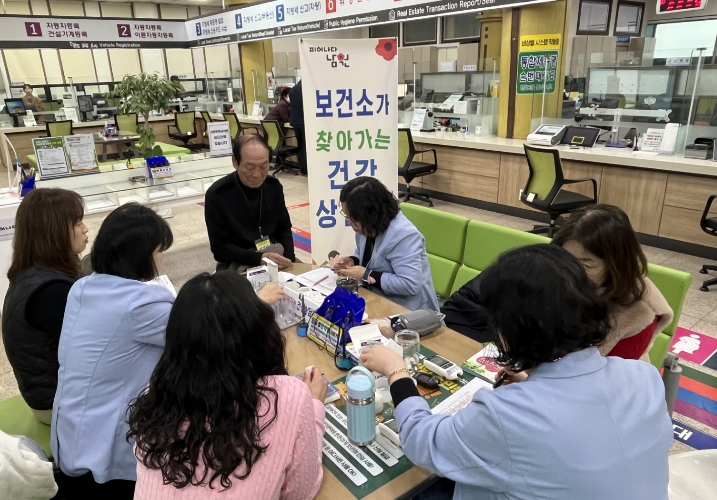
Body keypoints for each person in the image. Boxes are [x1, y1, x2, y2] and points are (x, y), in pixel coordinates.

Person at [360, 245, 673, 500]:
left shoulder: (506, 415)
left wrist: (396, 370)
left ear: (508, 328)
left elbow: (421, 441)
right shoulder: (643, 377)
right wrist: (532, 382)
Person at [129, 271, 327, 500]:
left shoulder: (154, 397)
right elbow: (300, 492)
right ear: (259, 329)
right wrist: (314, 405)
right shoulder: (287, 396)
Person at [51, 203, 175, 499]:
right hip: (105, 452)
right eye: (159, 250)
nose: (161, 258)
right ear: (142, 255)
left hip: (71, 434)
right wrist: (254, 302)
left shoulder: (82, 288)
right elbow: (202, 331)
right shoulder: (140, 303)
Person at [2, 188, 87, 425]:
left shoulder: (37, 271)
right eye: (78, 223)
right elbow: (91, 350)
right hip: (55, 404)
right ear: (54, 231)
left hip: (49, 392)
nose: (85, 229)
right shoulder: (51, 291)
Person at [552, 204, 672, 361]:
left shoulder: (639, 312)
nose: (569, 271)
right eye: (564, 259)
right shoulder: (556, 273)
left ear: (615, 264)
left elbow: (610, 375)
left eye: (585, 265)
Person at [332, 177, 440, 312]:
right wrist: (352, 261)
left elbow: (410, 284)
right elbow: (365, 255)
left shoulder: (404, 235)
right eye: (347, 216)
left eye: (354, 218)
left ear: (371, 214)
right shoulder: (367, 227)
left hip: (408, 310)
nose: (350, 223)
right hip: (377, 300)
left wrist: (366, 275)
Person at [205, 134, 295, 272]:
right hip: (236, 260)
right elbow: (220, 248)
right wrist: (258, 258)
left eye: (263, 166)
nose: (257, 174)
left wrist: (290, 260)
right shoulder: (218, 194)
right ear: (235, 161)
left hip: (272, 254)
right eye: (249, 167)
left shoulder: (273, 186)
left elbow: (283, 229)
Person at [288, 80, 307, 175]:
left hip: (295, 123)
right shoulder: (306, 89)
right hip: (304, 122)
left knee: (300, 146)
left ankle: (302, 168)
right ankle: (307, 169)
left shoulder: (292, 90)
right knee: (305, 147)